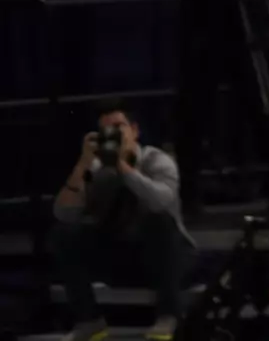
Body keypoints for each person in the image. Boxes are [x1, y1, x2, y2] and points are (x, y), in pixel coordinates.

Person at [51, 102, 194, 341]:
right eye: (106, 130)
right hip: (123, 255)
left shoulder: (157, 160)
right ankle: (89, 320)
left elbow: (160, 201)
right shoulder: (96, 168)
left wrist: (122, 167)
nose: (113, 135)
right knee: (64, 233)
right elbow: (63, 213)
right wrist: (82, 164)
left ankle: (169, 315)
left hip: (169, 259)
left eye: (119, 127)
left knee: (159, 221)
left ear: (134, 131)